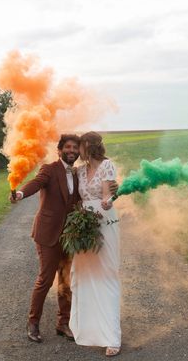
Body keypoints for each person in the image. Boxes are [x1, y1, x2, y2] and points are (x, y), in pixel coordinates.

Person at [10, 134, 118, 344]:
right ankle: (33, 322)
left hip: (70, 235)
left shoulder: (79, 173)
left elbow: (90, 193)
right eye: (67, 147)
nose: (72, 150)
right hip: (48, 233)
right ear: (59, 150)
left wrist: (113, 190)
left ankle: (63, 323)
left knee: (67, 279)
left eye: (75, 148)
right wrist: (20, 194)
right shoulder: (49, 169)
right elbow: (36, 183)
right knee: (45, 279)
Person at [69, 131, 122, 357]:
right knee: (83, 276)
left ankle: (112, 337)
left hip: (103, 222)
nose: (77, 151)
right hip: (83, 226)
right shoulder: (79, 171)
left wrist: (108, 202)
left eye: (79, 146)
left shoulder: (107, 166)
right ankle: (87, 328)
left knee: (106, 275)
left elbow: (109, 196)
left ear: (88, 146)